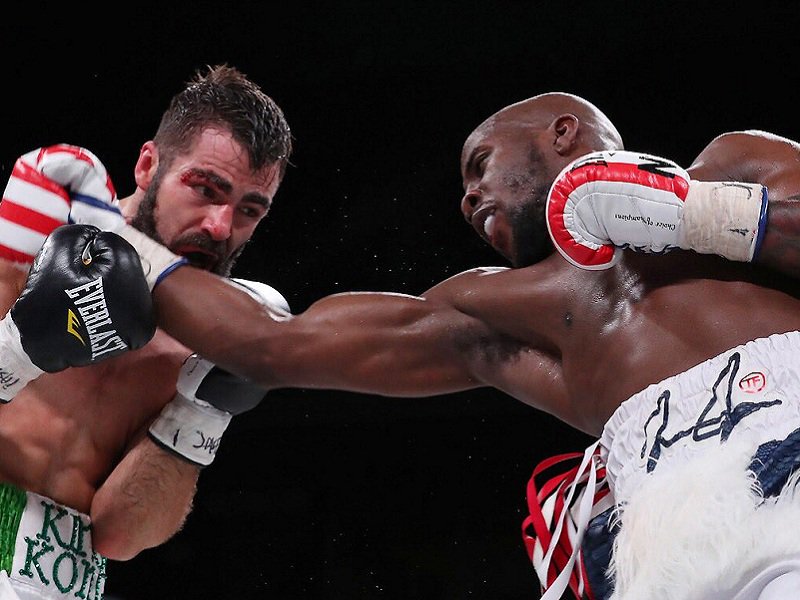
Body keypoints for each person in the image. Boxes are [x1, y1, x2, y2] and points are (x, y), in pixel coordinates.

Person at [11, 93, 800, 598]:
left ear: (563, 130)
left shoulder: (733, 162)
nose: (469, 197)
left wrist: (694, 215)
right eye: (464, 187)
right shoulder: (498, 312)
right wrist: (109, 236)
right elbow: (271, 344)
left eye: (482, 166)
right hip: (675, 549)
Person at [0, 63, 292, 600]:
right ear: (147, 165)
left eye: (249, 210)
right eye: (205, 189)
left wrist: (204, 413)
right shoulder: (36, 231)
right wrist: (15, 352)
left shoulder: (209, 337)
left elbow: (122, 535)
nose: (220, 227)